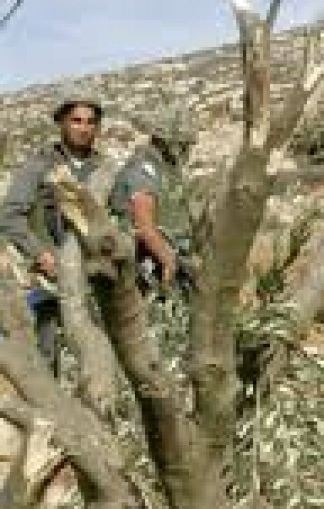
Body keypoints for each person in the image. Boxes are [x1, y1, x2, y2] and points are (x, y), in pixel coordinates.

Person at [0, 92, 107, 373]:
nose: (84, 128)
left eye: (91, 122)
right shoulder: (39, 166)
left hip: (95, 277)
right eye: (76, 121)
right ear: (61, 123)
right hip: (50, 279)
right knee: (48, 358)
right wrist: (41, 254)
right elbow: (10, 216)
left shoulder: (102, 167)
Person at [108, 104, 197, 297]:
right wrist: (168, 260)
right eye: (183, 145)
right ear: (169, 143)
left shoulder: (165, 168)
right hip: (145, 262)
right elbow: (144, 226)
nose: (187, 150)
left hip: (166, 254)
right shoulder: (144, 169)